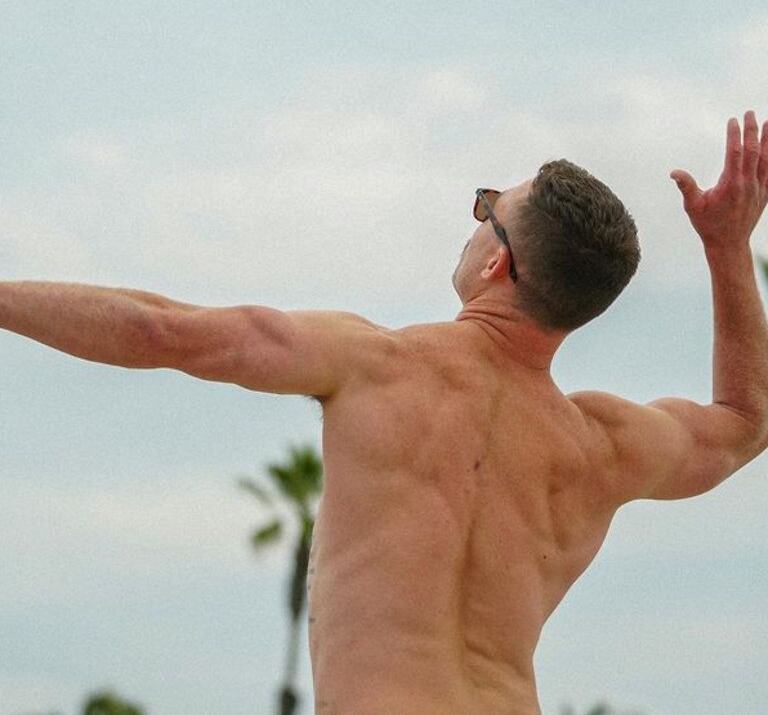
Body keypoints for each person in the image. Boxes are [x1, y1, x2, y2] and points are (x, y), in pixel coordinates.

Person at [2, 112, 767, 715]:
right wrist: (728, 246)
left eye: (486, 208)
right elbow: (744, 420)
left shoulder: (376, 363)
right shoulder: (603, 444)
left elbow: (160, 331)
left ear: (498, 261)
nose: (475, 219)